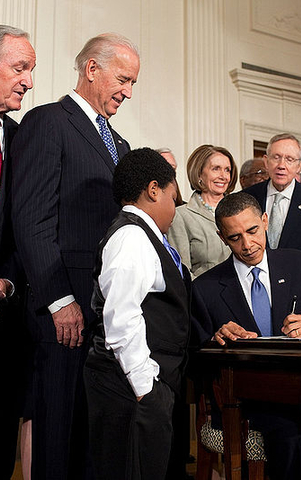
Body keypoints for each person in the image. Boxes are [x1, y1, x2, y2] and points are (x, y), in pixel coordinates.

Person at [11, 33, 140, 480]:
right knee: (58, 435)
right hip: (61, 313)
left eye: (132, 83)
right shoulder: (47, 122)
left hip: (103, 314)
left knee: (92, 439)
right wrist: (59, 299)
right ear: (91, 69)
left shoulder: (119, 146)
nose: (127, 91)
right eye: (123, 79)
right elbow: (32, 219)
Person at [191, 192, 301, 480]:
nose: (247, 245)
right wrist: (214, 339)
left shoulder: (298, 265)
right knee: (293, 434)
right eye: (235, 237)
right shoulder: (205, 287)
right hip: (245, 401)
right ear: (222, 237)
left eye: (253, 230)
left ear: (265, 221)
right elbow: (194, 357)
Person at [84, 148, 190, 480]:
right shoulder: (132, 237)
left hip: (142, 389)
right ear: (154, 189)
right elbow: (122, 318)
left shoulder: (141, 235)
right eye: (174, 198)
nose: (174, 210)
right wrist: (147, 388)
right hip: (132, 391)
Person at [0, 24, 35, 479]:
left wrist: (9, 280)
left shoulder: (22, 139)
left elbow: (29, 226)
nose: (29, 81)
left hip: (6, 320)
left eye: (30, 70)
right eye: (20, 68)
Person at [244, 133, 301, 279]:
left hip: (297, 289)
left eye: (289, 159)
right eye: (276, 157)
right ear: (266, 161)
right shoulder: (247, 197)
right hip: (253, 284)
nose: (281, 165)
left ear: (299, 166)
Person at [168, 144, 238, 278]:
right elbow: (181, 273)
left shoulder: (241, 211)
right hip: (204, 296)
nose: (223, 176)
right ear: (199, 173)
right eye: (216, 169)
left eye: (227, 170)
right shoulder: (181, 216)